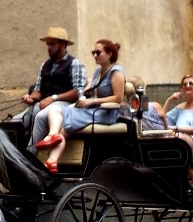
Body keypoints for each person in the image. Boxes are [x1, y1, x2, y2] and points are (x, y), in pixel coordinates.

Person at [36, 39, 126, 172]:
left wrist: (92, 101)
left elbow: (117, 98)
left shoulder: (116, 72)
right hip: (94, 110)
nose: (95, 55)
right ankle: (52, 137)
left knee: (64, 126)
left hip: (106, 113)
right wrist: (83, 93)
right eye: (93, 52)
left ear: (109, 54)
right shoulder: (97, 72)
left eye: (98, 52)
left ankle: (52, 159)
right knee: (55, 109)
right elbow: (90, 88)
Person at [19, 27, 85, 149]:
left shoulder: (74, 63)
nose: (49, 47)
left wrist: (53, 98)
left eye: (52, 44)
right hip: (44, 103)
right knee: (16, 122)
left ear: (63, 44)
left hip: (66, 105)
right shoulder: (45, 65)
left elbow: (78, 92)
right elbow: (38, 90)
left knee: (40, 116)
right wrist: (31, 97)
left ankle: (31, 155)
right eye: (48, 44)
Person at [145, 74, 193, 165]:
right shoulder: (179, 108)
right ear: (182, 88)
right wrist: (169, 100)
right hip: (178, 138)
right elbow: (161, 117)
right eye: (184, 84)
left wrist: (175, 128)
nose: (187, 86)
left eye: (191, 83)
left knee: (179, 139)